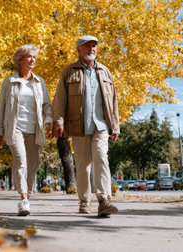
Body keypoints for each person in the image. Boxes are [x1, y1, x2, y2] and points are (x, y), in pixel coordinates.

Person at [52, 35, 120, 217]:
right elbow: (59, 99)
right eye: (87, 46)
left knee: (101, 158)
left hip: (101, 125)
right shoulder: (69, 71)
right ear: (79, 50)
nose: (92, 49)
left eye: (94, 46)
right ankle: (84, 200)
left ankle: (104, 199)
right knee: (83, 165)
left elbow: (113, 101)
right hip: (78, 125)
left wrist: (115, 126)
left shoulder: (105, 71)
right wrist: (58, 121)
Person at [0, 44, 52, 216]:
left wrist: (49, 121)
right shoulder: (9, 82)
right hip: (15, 128)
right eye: (29, 57)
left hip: (35, 129)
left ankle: (28, 193)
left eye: (34, 57)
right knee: (21, 161)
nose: (32, 60)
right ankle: (23, 199)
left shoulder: (39, 82)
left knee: (33, 164)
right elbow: (2, 107)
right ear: (19, 60)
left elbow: (46, 105)